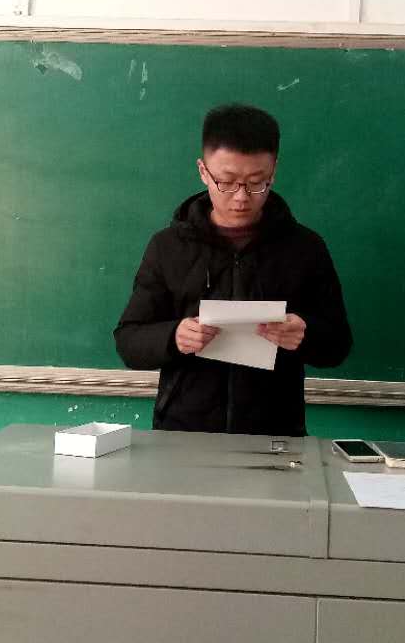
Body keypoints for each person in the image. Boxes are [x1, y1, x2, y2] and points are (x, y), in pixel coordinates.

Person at [114, 103, 352, 435]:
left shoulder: (304, 248)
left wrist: (304, 333)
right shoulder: (168, 247)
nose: (241, 197)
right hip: (183, 434)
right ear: (203, 171)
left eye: (257, 183)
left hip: (275, 434)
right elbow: (128, 341)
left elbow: (338, 344)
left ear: (273, 171)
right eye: (226, 182)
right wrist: (174, 336)